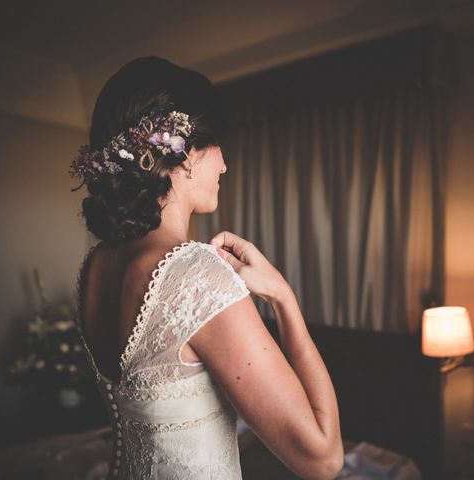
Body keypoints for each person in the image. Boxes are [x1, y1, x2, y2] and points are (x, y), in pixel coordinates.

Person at [72, 56, 343, 479]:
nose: (225, 164)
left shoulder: (95, 266)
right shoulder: (193, 276)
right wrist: (283, 297)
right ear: (183, 154)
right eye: (217, 145)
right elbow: (323, 459)